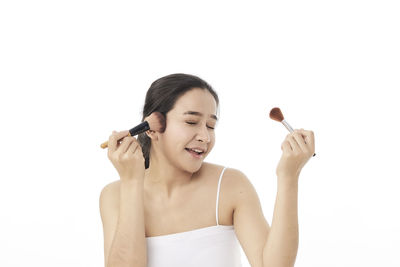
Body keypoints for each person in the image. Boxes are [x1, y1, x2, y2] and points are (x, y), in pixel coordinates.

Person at [99, 73, 315, 267]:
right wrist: (131, 183)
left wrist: (289, 176)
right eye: (191, 122)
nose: (205, 136)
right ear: (153, 130)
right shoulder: (114, 195)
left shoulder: (230, 185)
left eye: (211, 126)